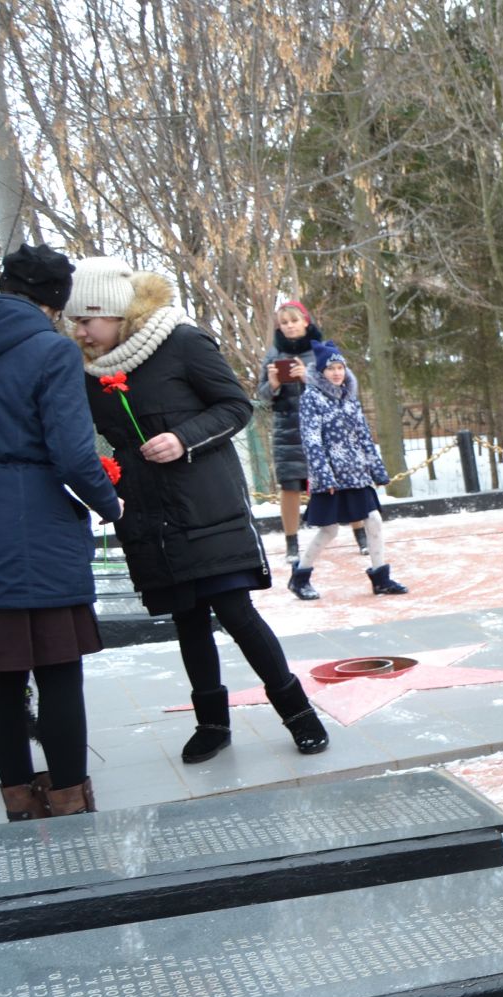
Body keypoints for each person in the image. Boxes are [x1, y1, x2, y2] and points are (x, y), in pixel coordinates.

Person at [67, 256, 327, 761]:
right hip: (149, 513)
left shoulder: (182, 342)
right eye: (73, 321)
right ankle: (212, 723)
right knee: (186, 618)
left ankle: (299, 714)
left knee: (235, 610)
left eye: (86, 320)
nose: (78, 331)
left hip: (207, 503)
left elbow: (236, 407)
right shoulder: (87, 370)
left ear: (116, 313)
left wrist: (183, 438)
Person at [0, 246, 123, 818]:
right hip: (36, 528)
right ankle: (68, 801)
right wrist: (113, 504)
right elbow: (74, 457)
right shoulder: (49, 350)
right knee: (57, 671)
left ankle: (19, 804)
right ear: (56, 301)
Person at [287, 343, 407, 598]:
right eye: (330, 368)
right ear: (321, 372)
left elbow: (364, 437)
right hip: (330, 477)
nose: (337, 373)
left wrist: (377, 470)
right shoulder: (312, 398)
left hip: (357, 474)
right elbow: (311, 440)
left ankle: (381, 578)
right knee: (329, 530)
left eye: (340, 367)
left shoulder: (350, 398)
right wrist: (324, 474)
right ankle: (300, 578)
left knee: (373, 520)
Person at [254, 300, 315, 562]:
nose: (290, 326)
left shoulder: (322, 350)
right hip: (286, 430)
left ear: (305, 322)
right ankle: (292, 544)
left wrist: (307, 377)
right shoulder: (273, 354)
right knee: (290, 487)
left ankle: (360, 537)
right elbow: (263, 394)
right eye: (284, 323)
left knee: (339, 484)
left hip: (320, 428)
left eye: (294, 321)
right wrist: (274, 383)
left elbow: (341, 388)